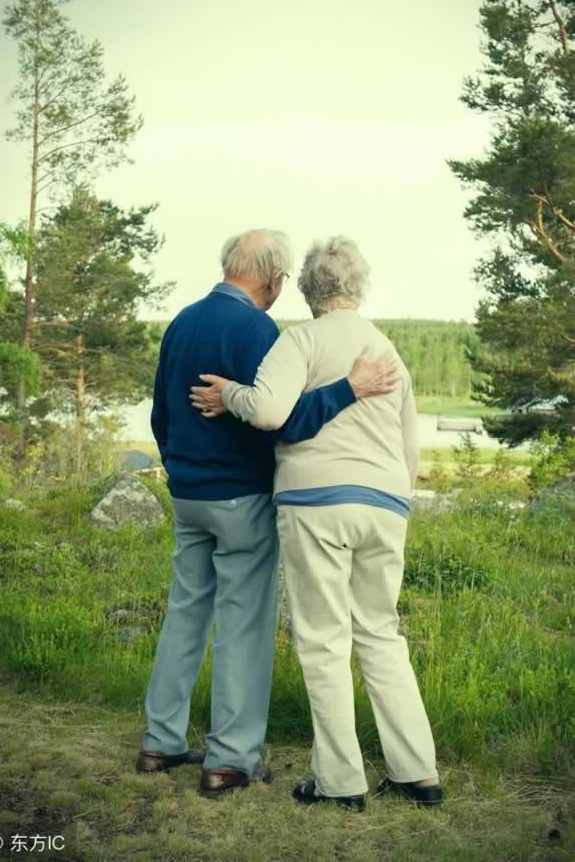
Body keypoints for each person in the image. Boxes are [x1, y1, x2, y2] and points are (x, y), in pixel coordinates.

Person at [137, 228, 397, 799]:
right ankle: (229, 759)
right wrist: (349, 390)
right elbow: (283, 418)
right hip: (241, 498)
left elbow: (160, 414)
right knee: (243, 625)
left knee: (184, 613)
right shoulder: (259, 329)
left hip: (188, 495)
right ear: (274, 280)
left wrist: (180, 468)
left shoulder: (180, 321)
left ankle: (160, 741)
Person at [192, 236, 441, 812]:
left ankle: (339, 781)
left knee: (324, 640)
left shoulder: (299, 339)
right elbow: (409, 444)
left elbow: (272, 411)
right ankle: (417, 771)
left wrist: (231, 394)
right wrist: (395, 501)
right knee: (380, 634)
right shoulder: (386, 348)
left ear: (305, 289)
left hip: (315, 504)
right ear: (360, 286)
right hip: (385, 504)